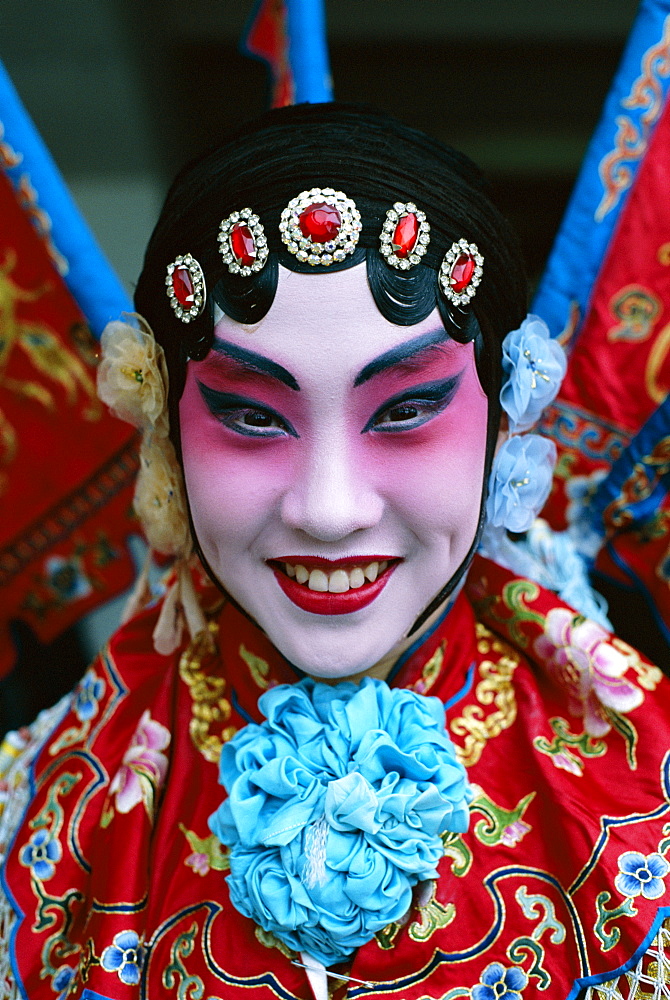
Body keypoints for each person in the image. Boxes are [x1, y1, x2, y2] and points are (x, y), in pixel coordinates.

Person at [0, 103, 668, 1000]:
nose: (328, 510)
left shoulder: (646, 805)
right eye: (249, 416)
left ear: (506, 424)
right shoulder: (25, 814)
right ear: (164, 433)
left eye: (405, 410)